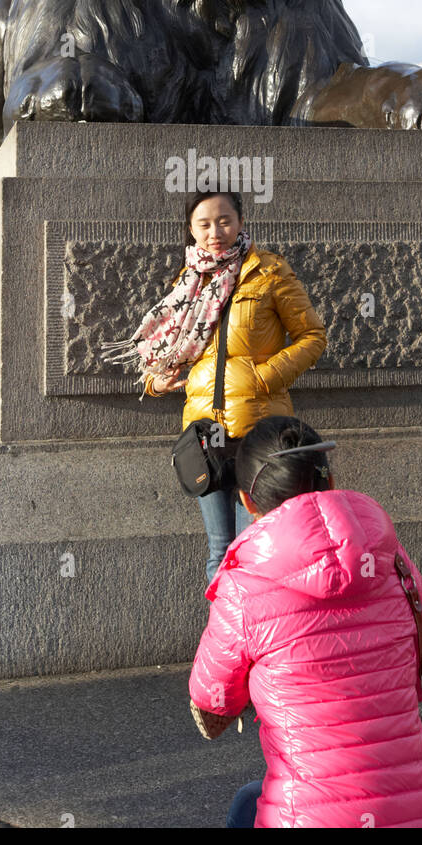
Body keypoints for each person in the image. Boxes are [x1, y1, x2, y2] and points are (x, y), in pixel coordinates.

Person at [188, 414, 422, 829]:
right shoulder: (393, 559)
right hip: (420, 813)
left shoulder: (242, 585)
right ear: (329, 481)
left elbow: (211, 703)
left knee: (247, 805)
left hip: (306, 817)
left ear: (246, 502)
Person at [101, 190, 326, 581]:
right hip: (206, 436)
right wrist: (156, 383)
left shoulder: (268, 271)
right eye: (203, 224)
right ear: (191, 231)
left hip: (260, 433)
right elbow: (174, 353)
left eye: (224, 221)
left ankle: (259, 639)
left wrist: (262, 377)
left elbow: (312, 336)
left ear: (240, 222)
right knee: (219, 552)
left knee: (254, 547)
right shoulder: (190, 283)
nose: (214, 232)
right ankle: (227, 641)